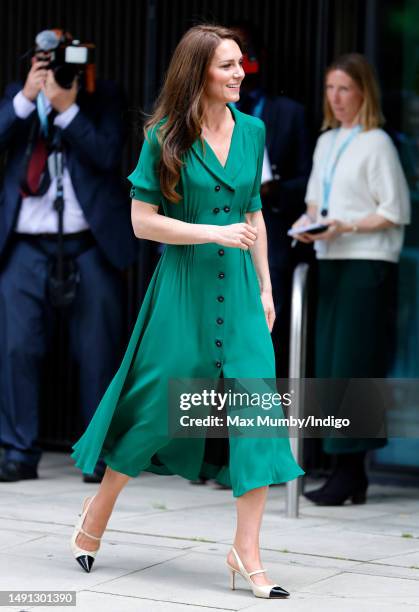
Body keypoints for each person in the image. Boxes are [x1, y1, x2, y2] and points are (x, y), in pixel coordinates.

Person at [70, 25, 304, 599]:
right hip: (182, 291)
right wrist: (207, 232)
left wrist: (268, 288)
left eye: (240, 64)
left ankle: (245, 551)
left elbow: (254, 217)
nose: (239, 74)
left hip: (243, 296)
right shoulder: (164, 136)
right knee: (156, 409)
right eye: (227, 66)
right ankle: (97, 511)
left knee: (259, 419)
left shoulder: (253, 130)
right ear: (198, 71)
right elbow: (140, 220)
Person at [0, 30, 137, 483]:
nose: (54, 69)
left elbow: (106, 153)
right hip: (24, 242)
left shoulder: (102, 97)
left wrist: (67, 107)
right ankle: (19, 450)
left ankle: (96, 453)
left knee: (97, 351)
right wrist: (27, 96)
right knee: (17, 347)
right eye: (44, 61)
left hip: (89, 241)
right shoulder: (16, 98)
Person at [292, 53, 410, 505]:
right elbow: (313, 203)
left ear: (363, 92)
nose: (336, 98)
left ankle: (351, 471)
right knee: (329, 365)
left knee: (354, 365)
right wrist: (310, 226)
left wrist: (346, 226)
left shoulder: (377, 142)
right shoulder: (327, 141)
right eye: (330, 89)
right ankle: (343, 470)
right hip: (330, 259)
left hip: (365, 264)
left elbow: (395, 210)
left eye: (344, 88)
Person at [232, 22, 312, 376]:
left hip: (270, 238)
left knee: (267, 338)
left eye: (245, 52)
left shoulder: (288, 112)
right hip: (217, 239)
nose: (239, 63)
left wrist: (274, 190)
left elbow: (308, 180)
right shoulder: (205, 110)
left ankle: (264, 425)